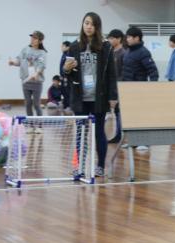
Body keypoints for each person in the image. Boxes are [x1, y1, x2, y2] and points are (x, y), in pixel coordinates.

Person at [62, 12, 118, 177]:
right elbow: (66, 73)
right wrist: (66, 69)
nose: (89, 26)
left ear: (97, 27)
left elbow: (112, 74)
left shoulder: (106, 47)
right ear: (82, 24)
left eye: (92, 24)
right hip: (80, 97)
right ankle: (79, 166)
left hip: (99, 97)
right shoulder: (74, 46)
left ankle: (100, 166)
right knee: (81, 132)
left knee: (99, 131)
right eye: (86, 23)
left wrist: (113, 96)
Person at [9, 31, 47, 120]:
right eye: (32, 37)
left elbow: (41, 65)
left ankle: (40, 124)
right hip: (25, 81)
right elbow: (19, 61)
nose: (32, 39)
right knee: (28, 103)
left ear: (40, 41)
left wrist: (36, 73)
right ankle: (30, 123)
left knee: (36, 104)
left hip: (36, 82)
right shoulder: (25, 49)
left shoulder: (42, 52)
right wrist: (13, 62)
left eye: (35, 38)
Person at [107, 29, 126, 144]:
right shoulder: (111, 52)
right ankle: (118, 135)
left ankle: (119, 135)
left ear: (119, 39)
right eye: (109, 38)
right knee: (116, 111)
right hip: (112, 87)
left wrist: (119, 87)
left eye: (112, 38)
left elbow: (123, 73)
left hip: (120, 87)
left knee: (119, 111)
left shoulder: (123, 53)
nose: (110, 40)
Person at [59, 41, 71, 110]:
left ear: (67, 47)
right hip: (62, 76)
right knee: (63, 90)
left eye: (62, 46)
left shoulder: (68, 55)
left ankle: (68, 106)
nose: (61, 47)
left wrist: (64, 76)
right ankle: (65, 105)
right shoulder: (63, 54)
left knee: (67, 91)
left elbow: (67, 67)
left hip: (66, 77)